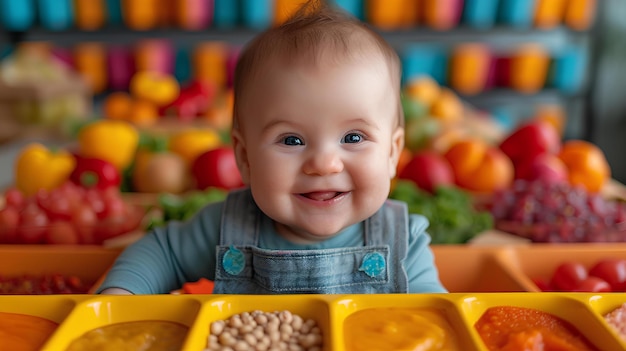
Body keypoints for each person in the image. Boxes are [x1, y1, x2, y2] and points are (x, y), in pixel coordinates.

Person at [98, 0, 446, 295]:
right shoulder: (225, 227)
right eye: (291, 140)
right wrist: (121, 295)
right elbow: (158, 253)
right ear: (245, 157)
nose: (324, 164)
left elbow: (434, 319)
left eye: (353, 138)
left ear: (391, 153)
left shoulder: (405, 242)